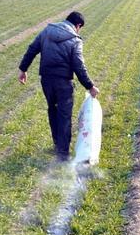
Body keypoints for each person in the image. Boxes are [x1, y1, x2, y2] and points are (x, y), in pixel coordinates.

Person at [18, 11, 99, 161]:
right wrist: (90, 86)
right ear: (78, 25)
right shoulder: (75, 40)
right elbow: (79, 66)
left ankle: (57, 144)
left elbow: (32, 49)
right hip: (63, 82)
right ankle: (62, 154)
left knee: (52, 110)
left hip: (46, 80)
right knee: (64, 116)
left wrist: (23, 69)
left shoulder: (47, 30)